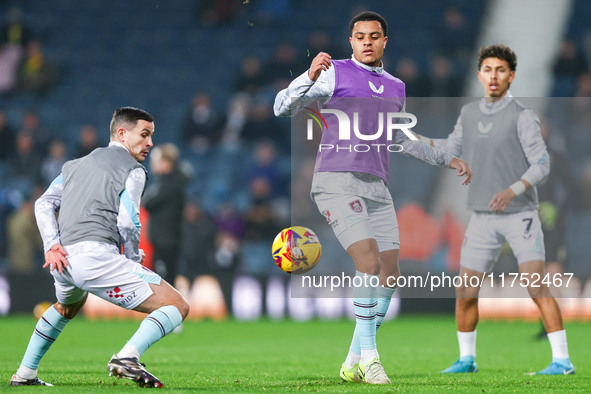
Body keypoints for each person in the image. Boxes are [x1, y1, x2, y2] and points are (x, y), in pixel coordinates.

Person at [274, 11, 472, 384]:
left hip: (377, 186)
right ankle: (371, 359)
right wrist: (308, 75)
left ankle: (352, 359)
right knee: (366, 261)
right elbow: (281, 107)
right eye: (359, 36)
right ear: (351, 41)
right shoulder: (333, 74)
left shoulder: (396, 87)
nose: (366, 41)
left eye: (374, 36)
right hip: (335, 180)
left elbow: (399, 138)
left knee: (390, 272)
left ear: (384, 42)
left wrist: (447, 156)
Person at [415, 44, 575, 375]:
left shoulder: (523, 117)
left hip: (521, 215)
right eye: (487, 69)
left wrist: (512, 190)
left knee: (534, 283)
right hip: (482, 217)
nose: (493, 76)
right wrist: (414, 142)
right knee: (465, 290)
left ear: (511, 76)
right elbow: (449, 149)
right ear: (479, 75)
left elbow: (542, 163)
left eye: (500, 70)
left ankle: (562, 360)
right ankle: (466, 360)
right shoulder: (469, 114)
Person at [10, 107, 189, 387]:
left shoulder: (74, 165)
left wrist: (52, 245)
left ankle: (24, 374)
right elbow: (129, 223)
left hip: (64, 260)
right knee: (177, 304)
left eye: (151, 136)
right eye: (144, 135)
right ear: (122, 133)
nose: (150, 143)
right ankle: (128, 357)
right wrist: (132, 260)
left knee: (66, 307)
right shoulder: (133, 170)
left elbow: (43, 203)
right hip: (96, 257)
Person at [143, 143, 190, 285]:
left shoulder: (169, 184)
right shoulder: (169, 182)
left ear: (168, 163)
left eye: (156, 160)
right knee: (166, 277)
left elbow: (147, 202)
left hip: (166, 240)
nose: (152, 164)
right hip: (166, 239)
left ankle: (169, 307)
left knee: (165, 280)